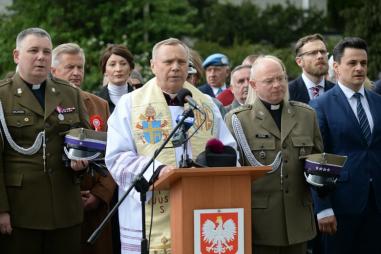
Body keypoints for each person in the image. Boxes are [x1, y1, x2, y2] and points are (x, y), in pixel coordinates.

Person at [105, 38, 237, 253]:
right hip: (148, 212)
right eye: (168, 62)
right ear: (153, 65)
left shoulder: (206, 104)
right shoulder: (130, 104)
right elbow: (117, 157)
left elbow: (229, 151)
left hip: (202, 206)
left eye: (181, 62)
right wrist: (158, 171)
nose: (176, 67)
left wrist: (217, 161)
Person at [0, 27, 89, 254]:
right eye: (33, 51)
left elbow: (86, 142)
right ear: (17, 55)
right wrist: (2, 211)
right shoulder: (3, 96)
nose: (41, 57)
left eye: (46, 52)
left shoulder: (69, 93)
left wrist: (82, 164)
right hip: (21, 211)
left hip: (64, 209)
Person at [225, 55, 323, 254]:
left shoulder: (306, 115)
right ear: (254, 84)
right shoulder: (238, 120)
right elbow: (232, 176)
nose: (277, 85)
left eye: (281, 78)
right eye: (269, 81)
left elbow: (317, 160)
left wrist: (325, 178)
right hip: (260, 224)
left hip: (298, 220)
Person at [309, 37, 381, 254]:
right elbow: (318, 156)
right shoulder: (320, 105)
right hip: (340, 206)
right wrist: (323, 208)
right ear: (337, 67)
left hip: (376, 204)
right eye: (352, 63)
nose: (359, 68)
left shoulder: (378, 102)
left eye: (363, 63)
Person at [51, 42, 115, 254]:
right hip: (56, 205)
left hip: (94, 210)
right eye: (70, 67)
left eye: (80, 67)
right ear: (53, 71)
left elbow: (114, 155)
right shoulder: (43, 107)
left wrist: (99, 195)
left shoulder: (99, 105)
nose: (77, 73)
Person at [289, 34, 335, 104]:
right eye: (313, 53)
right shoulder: (287, 92)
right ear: (299, 61)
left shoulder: (337, 91)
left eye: (323, 52)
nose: (320, 56)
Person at [98, 44, 134, 113]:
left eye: (123, 64)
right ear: (104, 70)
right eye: (112, 64)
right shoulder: (96, 101)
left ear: (130, 68)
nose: (118, 69)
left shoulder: (141, 98)